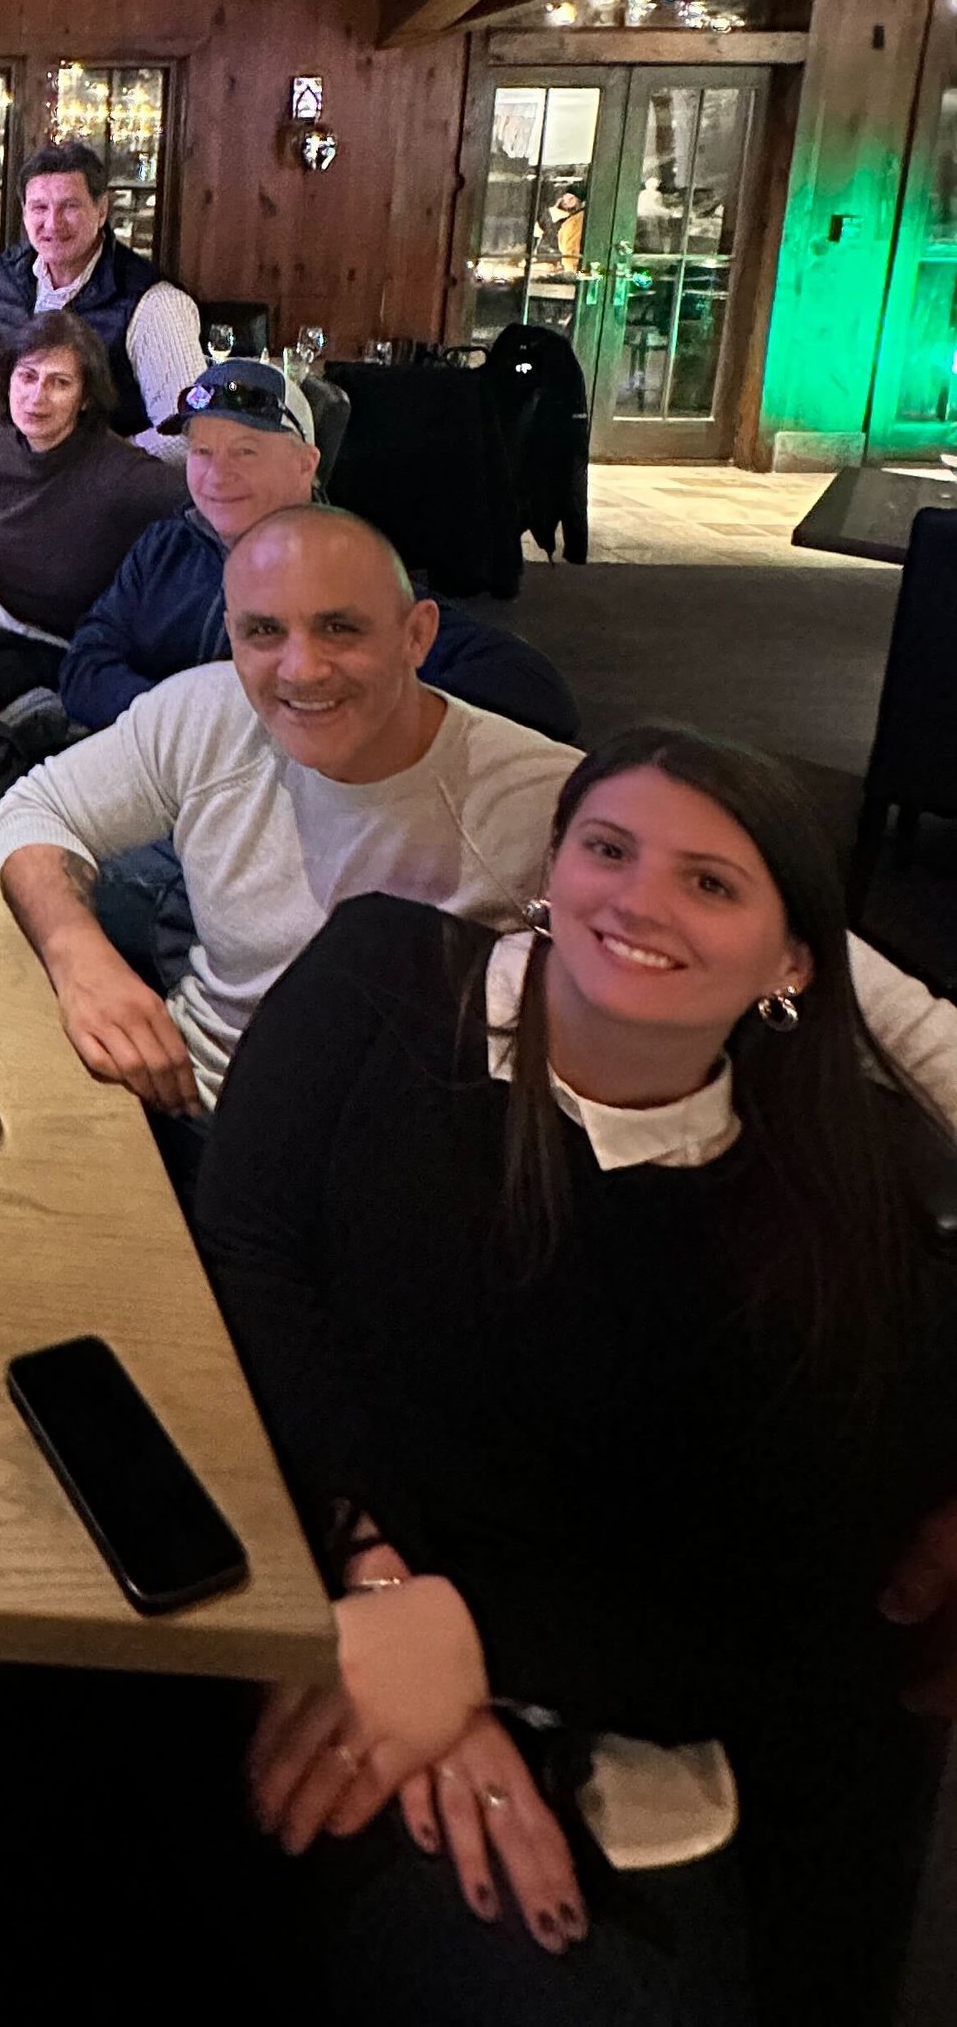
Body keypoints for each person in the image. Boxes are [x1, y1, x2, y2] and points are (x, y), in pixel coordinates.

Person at [203, 729, 957, 2025]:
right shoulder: (380, 979)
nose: (639, 900)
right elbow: (240, 1262)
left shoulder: (832, 1226)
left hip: (607, 1740)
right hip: (276, 1599)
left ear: (792, 963)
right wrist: (366, 1567)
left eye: (708, 882)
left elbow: (790, 1608)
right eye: (608, 849)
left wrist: (471, 1648)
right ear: (551, 873)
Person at [0, 504, 957, 1154]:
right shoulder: (205, 710)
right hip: (171, 1100)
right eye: (263, 631)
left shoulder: (548, 797)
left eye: (341, 629)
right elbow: (39, 807)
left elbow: (843, 976)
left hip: (367, 1168)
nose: (301, 669)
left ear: (417, 635)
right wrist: (84, 958)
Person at [61, 356, 577, 739]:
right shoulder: (167, 545)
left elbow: (538, 695)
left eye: (245, 451)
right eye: (202, 452)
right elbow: (86, 663)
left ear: (305, 465)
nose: (217, 474)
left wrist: (320, 722)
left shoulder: (347, 568)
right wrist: (182, 719)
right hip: (159, 775)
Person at [0, 139, 204, 528]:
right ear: (24, 211)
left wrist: (85, 465)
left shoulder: (154, 303)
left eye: (69, 206)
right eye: (39, 207)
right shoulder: (10, 277)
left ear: (102, 209)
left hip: (109, 502)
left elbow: (187, 432)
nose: (52, 223)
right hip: (14, 481)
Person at [0, 310, 187, 703]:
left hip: (67, 667)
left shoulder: (127, 476)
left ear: (86, 398)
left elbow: (209, 512)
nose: (37, 396)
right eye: (27, 376)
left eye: (60, 382)